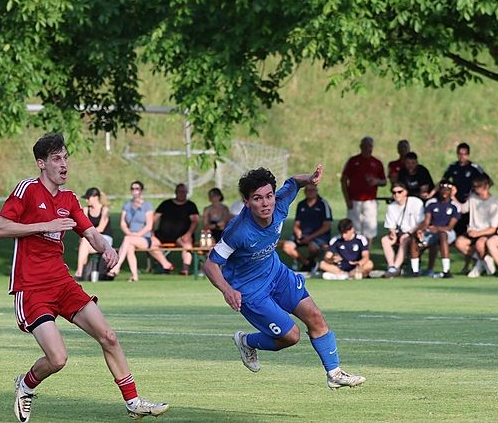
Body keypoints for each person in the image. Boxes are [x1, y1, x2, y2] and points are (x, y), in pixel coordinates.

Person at [0, 133, 168, 422]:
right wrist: (44, 225)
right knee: (58, 358)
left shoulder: (69, 198)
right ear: (41, 163)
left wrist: (107, 248)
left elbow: (90, 233)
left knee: (108, 336)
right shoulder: (27, 189)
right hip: (31, 287)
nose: (64, 164)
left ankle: (133, 402)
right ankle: (26, 384)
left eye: (66, 158)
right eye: (56, 159)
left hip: (62, 283)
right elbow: (0, 228)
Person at [203, 164, 365, 389]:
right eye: (257, 198)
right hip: (251, 291)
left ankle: (334, 374)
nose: (265, 203)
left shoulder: (280, 204)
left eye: (268, 196)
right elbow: (210, 264)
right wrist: (227, 290)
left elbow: (294, 182)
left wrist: (310, 178)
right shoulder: (238, 231)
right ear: (246, 202)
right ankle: (246, 341)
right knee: (291, 336)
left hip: (277, 274)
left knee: (315, 317)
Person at [108, 181, 173, 281]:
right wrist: (129, 233)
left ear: (141, 191)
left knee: (127, 240)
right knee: (129, 247)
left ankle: (116, 267)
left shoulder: (147, 206)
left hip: (145, 238)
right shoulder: (127, 205)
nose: (135, 191)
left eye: (137, 189)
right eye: (132, 189)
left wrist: (137, 234)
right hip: (131, 236)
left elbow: (149, 226)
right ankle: (134, 276)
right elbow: (123, 224)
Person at [408, 181, 460, 278]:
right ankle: (414, 270)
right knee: (415, 239)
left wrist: (437, 229)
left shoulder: (455, 206)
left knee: (443, 236)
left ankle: (446, 270)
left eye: (447, 190)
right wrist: (420, 230)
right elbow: (426, 222)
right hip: (432, 231)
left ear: (451, 191)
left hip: (447, 232)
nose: (445, 192)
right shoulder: (431, 203)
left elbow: (450, 227)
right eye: (443, 189)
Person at [340, 136, 386, 242]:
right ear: (361, 146)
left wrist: (376, 181)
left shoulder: (377, 163)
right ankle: (354, 249)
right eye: (365, 145)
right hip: (354, 200)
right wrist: (347, 199)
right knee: (354, 229)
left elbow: (384, 181)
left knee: (369, 230)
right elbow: (343, 180)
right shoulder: (353, 161)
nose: (367, 148)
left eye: (369, 146)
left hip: (370, 201)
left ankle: (366, 251)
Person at [454, 174, 498, 277]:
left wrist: (478, 233)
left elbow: (493, 228)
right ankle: (483, 261)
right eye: (474, 187)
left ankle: (480, 266)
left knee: (480, 244)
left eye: (478, 187)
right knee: (459, 243)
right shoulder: (473, 198)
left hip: (486, 232)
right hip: (473, 231)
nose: (476, 189)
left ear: (486, 187)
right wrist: (453, 196)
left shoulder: (494, 202)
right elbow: (463, 209)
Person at [281, 182, 332, 272]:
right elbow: (296, 224)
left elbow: (326, 226)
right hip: (303, 236)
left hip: (318, 236)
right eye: (308, 190)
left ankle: (311, 264)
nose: (310, 192)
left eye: (312, 190)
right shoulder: (301, 204)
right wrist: (298, 233)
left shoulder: (323, 204)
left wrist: (310, 238)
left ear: (316, 191)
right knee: (286, 246)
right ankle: (307, 264)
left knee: (313, 247)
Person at [379, 181, 425, 278]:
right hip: (400, 232)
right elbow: (390, 224)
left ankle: (396, 267)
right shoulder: (392, 207)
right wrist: (392, 233)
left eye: (399, 192)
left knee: (404, 239)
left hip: (414, 232)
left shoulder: (416, 202)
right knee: (385, 240)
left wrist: (409, 233)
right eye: (394, 192)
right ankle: (391, 266)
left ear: (405, 192)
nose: (397, 195)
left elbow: (421, 222)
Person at [153, 183, 200, 275]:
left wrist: (188, 234)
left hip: (182, 236)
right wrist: (151, 233)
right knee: (151, 243)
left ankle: (185, 270)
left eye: (184, 192)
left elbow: (195, 221)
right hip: (163, 235)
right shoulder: (166, 204)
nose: (182, 194)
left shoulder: (191, 206)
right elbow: (154, 218)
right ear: (175, 192)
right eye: (180, 191)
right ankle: (165, 265)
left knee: (187, 245)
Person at [73, 187, 112, 280]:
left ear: (95, 197)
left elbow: (101, 228)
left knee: (84, 242)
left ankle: (79, 272)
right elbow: (83, 225)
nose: (87, 200)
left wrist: (88, 233)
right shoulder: (86, 210)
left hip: (104, 239)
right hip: (90, 239)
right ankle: (80, 272)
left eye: (88, 198)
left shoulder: (104, 210)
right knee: (84, 242)